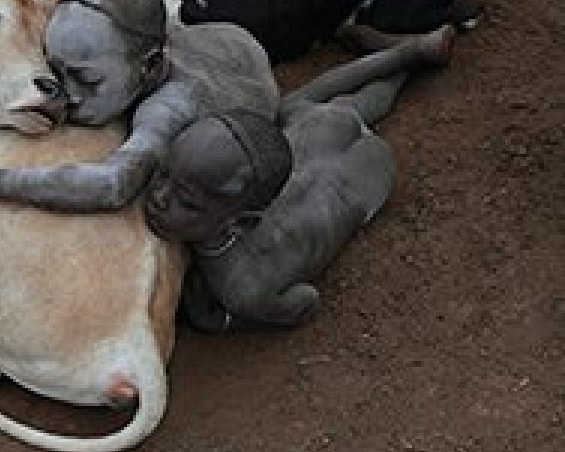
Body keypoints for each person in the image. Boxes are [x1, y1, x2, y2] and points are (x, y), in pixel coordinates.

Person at [141, 25, 454, 330]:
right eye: (163, 174)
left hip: (371, 173)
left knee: (332, 108)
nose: (158, 197)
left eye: (185, 202)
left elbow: (306, 300)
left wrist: (221, 320)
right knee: (323, 108)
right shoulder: (227, 217)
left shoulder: (243, 292)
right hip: (338, 144)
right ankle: (407, 58)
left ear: (241, 223)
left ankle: (406, 61)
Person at [0, 0, 288, 213]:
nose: (65, 95)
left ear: (151, 67)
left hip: (244, 78)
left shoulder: (171, 105)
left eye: (86, 82)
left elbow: (114, 185)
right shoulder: (112, 44)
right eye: (58, 70)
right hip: (230, 42)